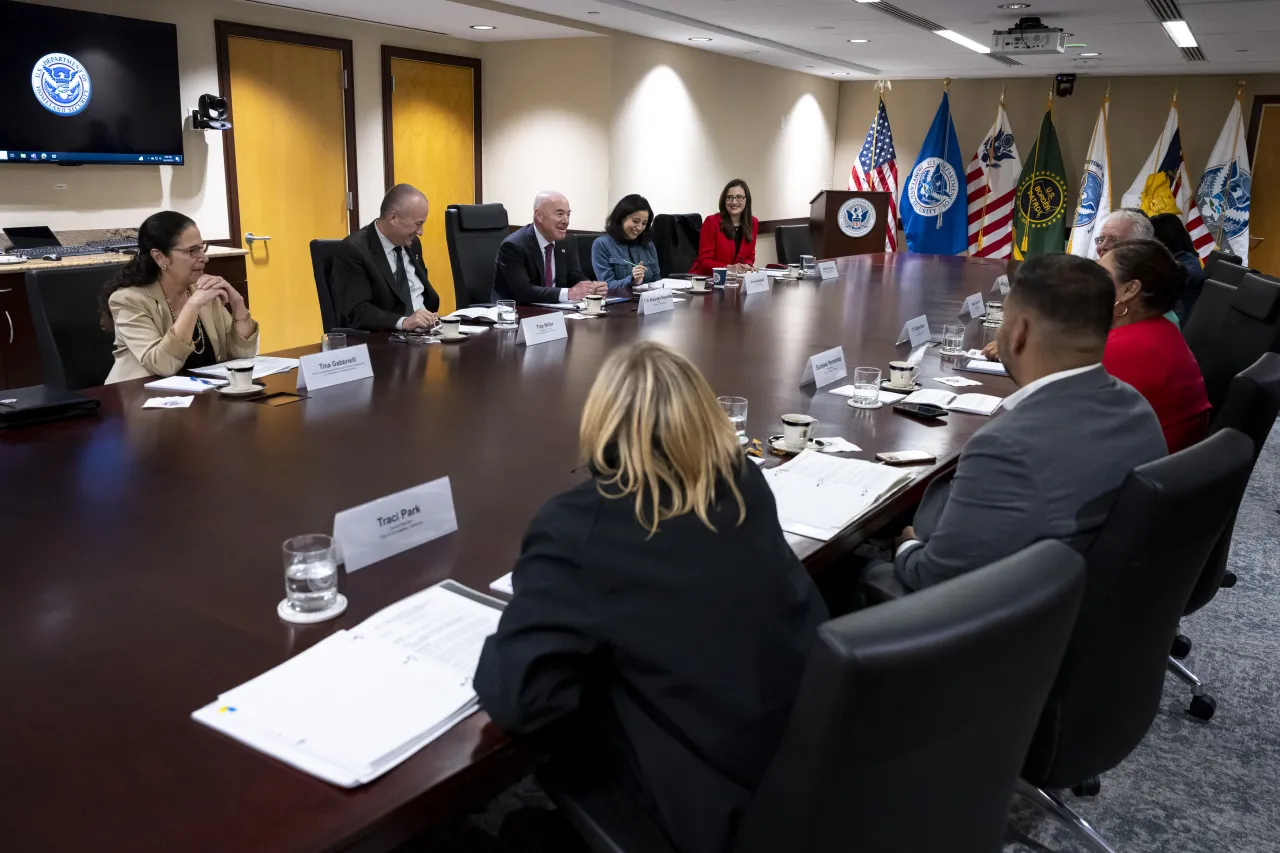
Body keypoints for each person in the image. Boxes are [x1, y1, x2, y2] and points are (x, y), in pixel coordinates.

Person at [474, 341, 828, 853]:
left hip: (700, 811)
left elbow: (518, 699)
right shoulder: (744, 480)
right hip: (798, 773)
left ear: (599, 423)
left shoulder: (581, 526)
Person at [883, 254, 1165, 593]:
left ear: (1018, 333)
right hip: (1085, 605)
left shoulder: (1006, 447)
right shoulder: (1138, 408)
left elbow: (933, 579)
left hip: (993, 625)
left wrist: (906, 544)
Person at [102, 211, 258, 384]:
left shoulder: (202, 290)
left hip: (205, 396)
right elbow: (163, 365)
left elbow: (243, 356)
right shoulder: (127, 300)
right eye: (192, 251)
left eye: (202, 248)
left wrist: (238, 304)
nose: (204, 258)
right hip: (144, 399)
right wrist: (192, 306)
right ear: (160, 257)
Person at [1100, 239, 1211, 452]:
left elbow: (1049, 411)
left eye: (1100, 276)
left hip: (1131, 474)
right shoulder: (1159, 328)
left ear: (1130, 289)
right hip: (1155, 465)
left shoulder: (1132, 348)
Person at [332, 183, 440, 331]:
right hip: (389, 339)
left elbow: (422, 294)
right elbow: (357, 312)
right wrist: (403, 322)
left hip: (427, 333)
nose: (420, 232)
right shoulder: (354, 250)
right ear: (393, 218)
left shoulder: (412, 243)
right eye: (418, 224)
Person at [493, 191, 608, 305]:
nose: (566, 221)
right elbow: (523, 292)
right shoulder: (514, 246)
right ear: (539, 215)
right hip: (517, 312)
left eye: (568, 215)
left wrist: (591, 288)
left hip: (555, 311)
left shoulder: (567, 242)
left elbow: (575, 276)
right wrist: (569, 293)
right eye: (560, 214)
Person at [592, 194, 661, 292]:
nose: (640, 227)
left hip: (648, 301)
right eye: (635, 221)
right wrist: (632, 280)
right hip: (618, 303)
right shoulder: (602, 244)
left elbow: (656, 280)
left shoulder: (648, 244)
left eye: (644, 223)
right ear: (621, 218)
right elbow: (606, 285)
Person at [690, 179, 759, 276]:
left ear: (746, 200)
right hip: (708, 280)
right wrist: (726, 267)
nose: (734, 202)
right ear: (724, 200)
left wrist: (747, 266)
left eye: (739, 197)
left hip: (735, 280)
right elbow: (704, 262)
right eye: (729, 197)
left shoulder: (753, 223)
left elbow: (750, 256)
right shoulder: (712, 222)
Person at [1149, 212, 1207, 323]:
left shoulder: (1186, 262)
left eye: (1151, 237)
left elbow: (1192, 277)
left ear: (1164, 239)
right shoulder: (1171, 258)